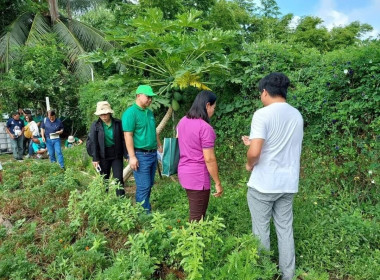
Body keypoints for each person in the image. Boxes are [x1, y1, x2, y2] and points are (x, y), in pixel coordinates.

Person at [243, 72, 303, 280]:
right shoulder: (297, 115)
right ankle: (288, 275)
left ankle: (263, 275)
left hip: (264, 185)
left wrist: (249, 164)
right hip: (287, 184)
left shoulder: (262, 114)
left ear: (265, 92)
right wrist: (253, 143)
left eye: (261, 93)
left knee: (261, 233)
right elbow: (281, 145)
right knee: (285, 230)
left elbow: (256, 153)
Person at [177, 90, 223, 221]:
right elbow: (209, 159)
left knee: (195, 213)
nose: (213, 111)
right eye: (214, 107)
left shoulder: (183, 121)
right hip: (198, 177)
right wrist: (218, 182)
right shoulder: (205, 128)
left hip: (184, 172)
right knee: (197, 218)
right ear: (207, 105)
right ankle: (192, 240)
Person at [122, 85, 163, 212]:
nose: (150, 100)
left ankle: (145, 208)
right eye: (148, 97)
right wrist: (132, 156)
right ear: (138, 95)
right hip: (140, 155)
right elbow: (128, 135)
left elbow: (154, 131)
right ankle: (143, 214)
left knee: (149, 184)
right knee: (143, 186)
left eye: (151, 97)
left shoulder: (149, 112)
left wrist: (159, 144)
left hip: (152, 154)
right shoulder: (130, 113)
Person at [89, 101, 126, 196]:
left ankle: (121, 199)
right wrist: (95, 158)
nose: (104, 116)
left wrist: (126, 154)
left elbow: (123, 139)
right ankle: (105, 199)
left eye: (105, 113)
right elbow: (93, 142)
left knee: (118, 178)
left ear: (109, 113)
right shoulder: (95, 125)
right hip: (102, 155)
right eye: (101, 114)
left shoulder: (118, 123)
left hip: (116, 153)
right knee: (104, 178)